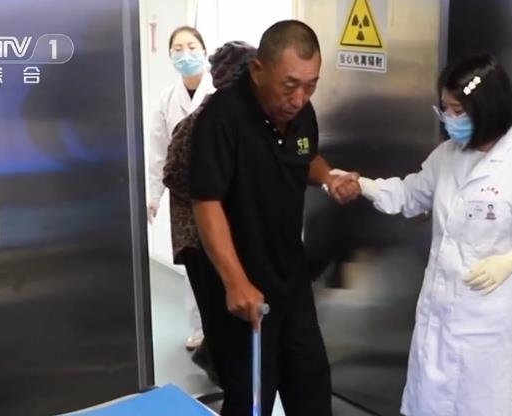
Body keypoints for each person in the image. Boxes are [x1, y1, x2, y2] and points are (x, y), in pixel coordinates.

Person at [355, 53, 512, 416]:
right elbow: (411, 194)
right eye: (444, 109)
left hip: (486, 336)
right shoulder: (447, 155)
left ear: (486, 109)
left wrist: (511, 261)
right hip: (437, 323)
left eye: (458, 111)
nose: (449, 119)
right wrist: (363, 185)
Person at [189, 20, 359, 416]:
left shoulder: (301, 114)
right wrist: (235, 282)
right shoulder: (223, 117)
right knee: (252, 396)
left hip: (290, 277)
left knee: (311, 386)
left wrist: (329, 177)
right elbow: (207, 201)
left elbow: (303, 155)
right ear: (258, 70)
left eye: (311, 85)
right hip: (240, 282)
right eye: (289, 85)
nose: (299, 98)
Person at [163, 40, 259, 384]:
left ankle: (219, 363)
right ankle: (221, 372)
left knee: (226, 316)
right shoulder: (203, 120)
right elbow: (172, 173)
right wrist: (213, 194)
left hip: (220, 234)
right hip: (197, 236)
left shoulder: (242, 116)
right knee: (217, 313)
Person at [146, 25, 215, 351]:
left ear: (204, 51)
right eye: (177, 49)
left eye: (191, 47)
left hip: (219, 191)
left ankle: (224, 326)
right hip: (183, 195)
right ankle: (200, 327)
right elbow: (158, 152)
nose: (185, 54)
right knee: (193, 261)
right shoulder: (167, 99)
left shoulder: (220, 93)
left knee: (219, 256)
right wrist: (153, 195)